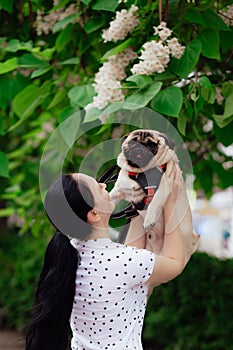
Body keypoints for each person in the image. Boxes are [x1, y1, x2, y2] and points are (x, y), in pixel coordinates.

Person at [26, 167, 186, 350]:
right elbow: (175, 262)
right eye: (97, 187)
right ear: (93, 214)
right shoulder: (123, 261)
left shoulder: (72, 255)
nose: (104, 185)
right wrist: (171, 202)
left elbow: (129, 264)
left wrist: (138, 202)